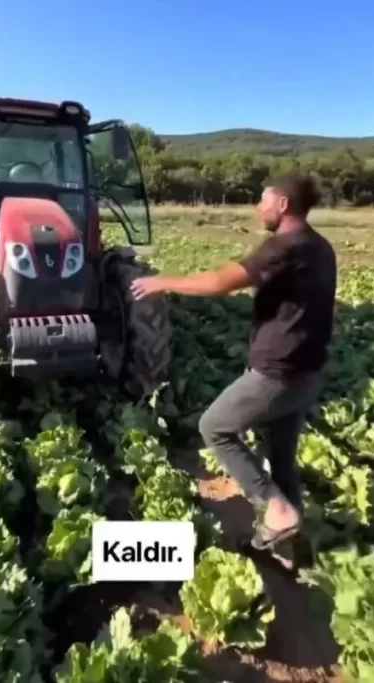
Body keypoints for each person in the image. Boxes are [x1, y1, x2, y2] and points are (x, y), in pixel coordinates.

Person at [130, 173, 336, 552]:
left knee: (215, 428)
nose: (258, 207)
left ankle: (275, 509)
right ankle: (289, 547)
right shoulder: (320, 247)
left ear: (283, 204)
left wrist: (163, 281)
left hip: (278, 372)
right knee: (280, 457)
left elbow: (219, 282)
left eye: (263, 199)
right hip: (309, 371)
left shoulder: (284, 247)